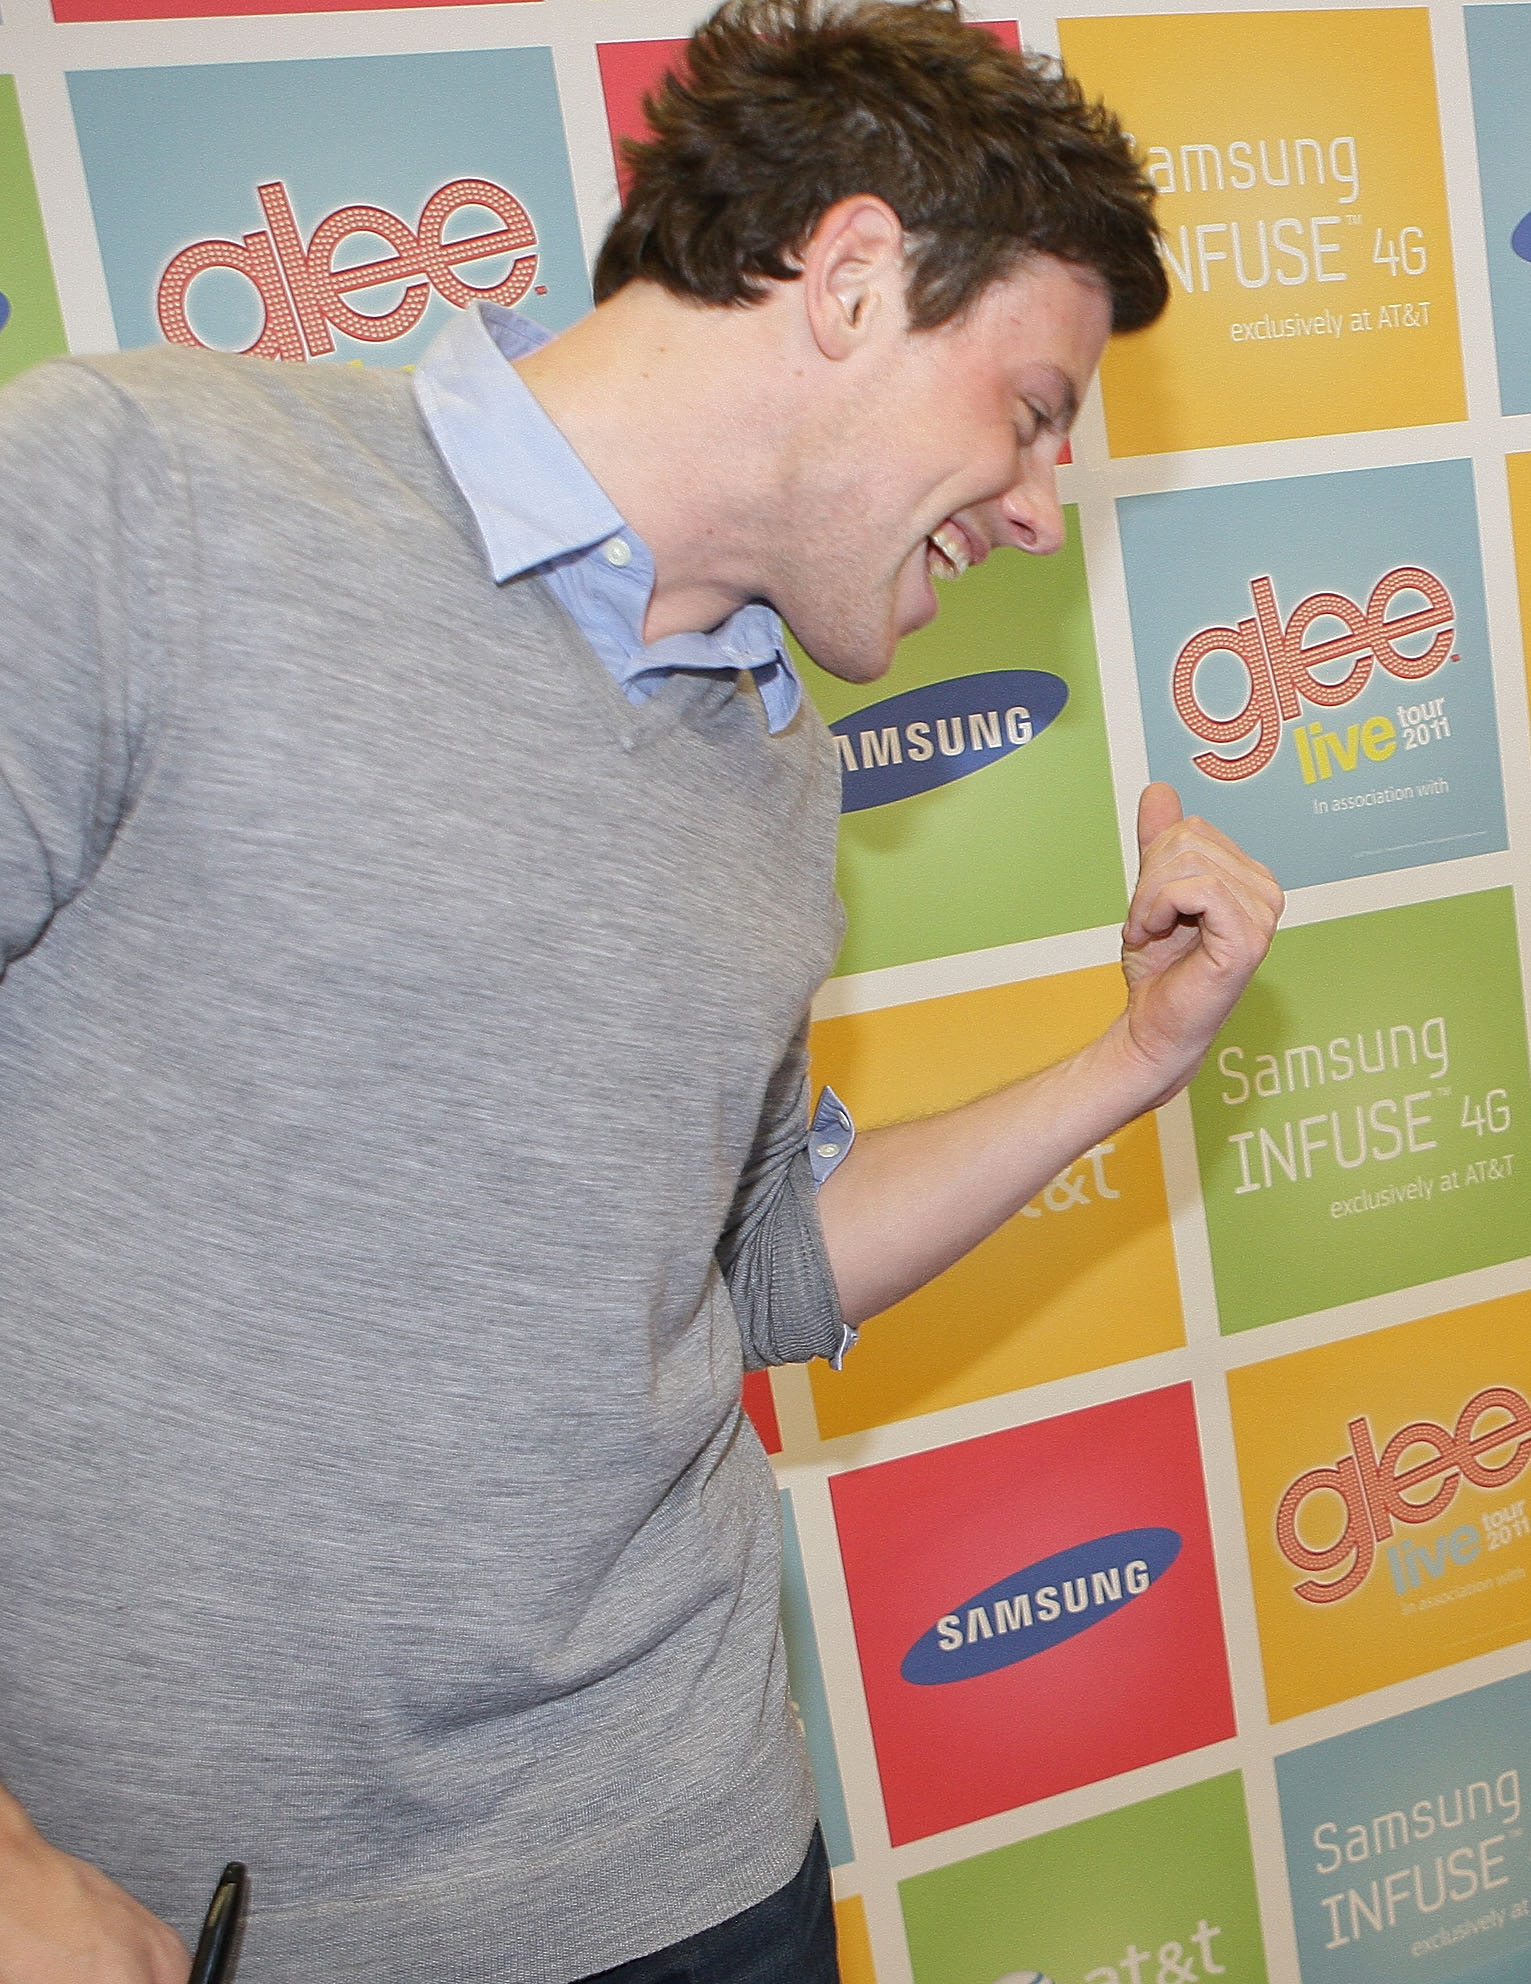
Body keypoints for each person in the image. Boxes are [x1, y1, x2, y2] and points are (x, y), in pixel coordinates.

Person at [0, 4, 1282, 1979]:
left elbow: (755, 1266)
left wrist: (1136, 1056)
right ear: (853, 280)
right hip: (199, 1917)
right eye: (1032, 407)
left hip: (697, 1867)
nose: (1041, 504)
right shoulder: (142, 496)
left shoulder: (776, 763)